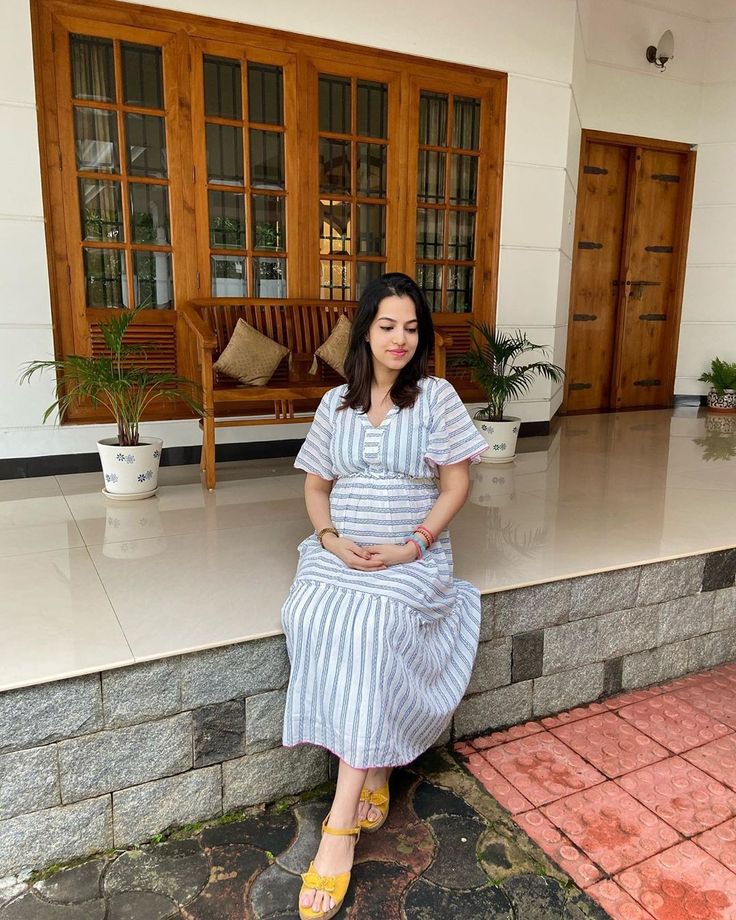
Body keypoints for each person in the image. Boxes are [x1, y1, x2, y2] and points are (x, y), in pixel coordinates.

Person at [280, 272, 489, 919]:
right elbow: (317, 487)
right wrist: (332, 539)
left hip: (411, 558)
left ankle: (339, 827)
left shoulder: (437, 399)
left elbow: (456, 485)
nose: (400, 339)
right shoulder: (334, 405)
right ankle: (372, 769)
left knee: (373, 626)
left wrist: (414, 544)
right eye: (387, 325)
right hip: (339, 553)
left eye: (411, 327)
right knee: (308, 613)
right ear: (365, 331)